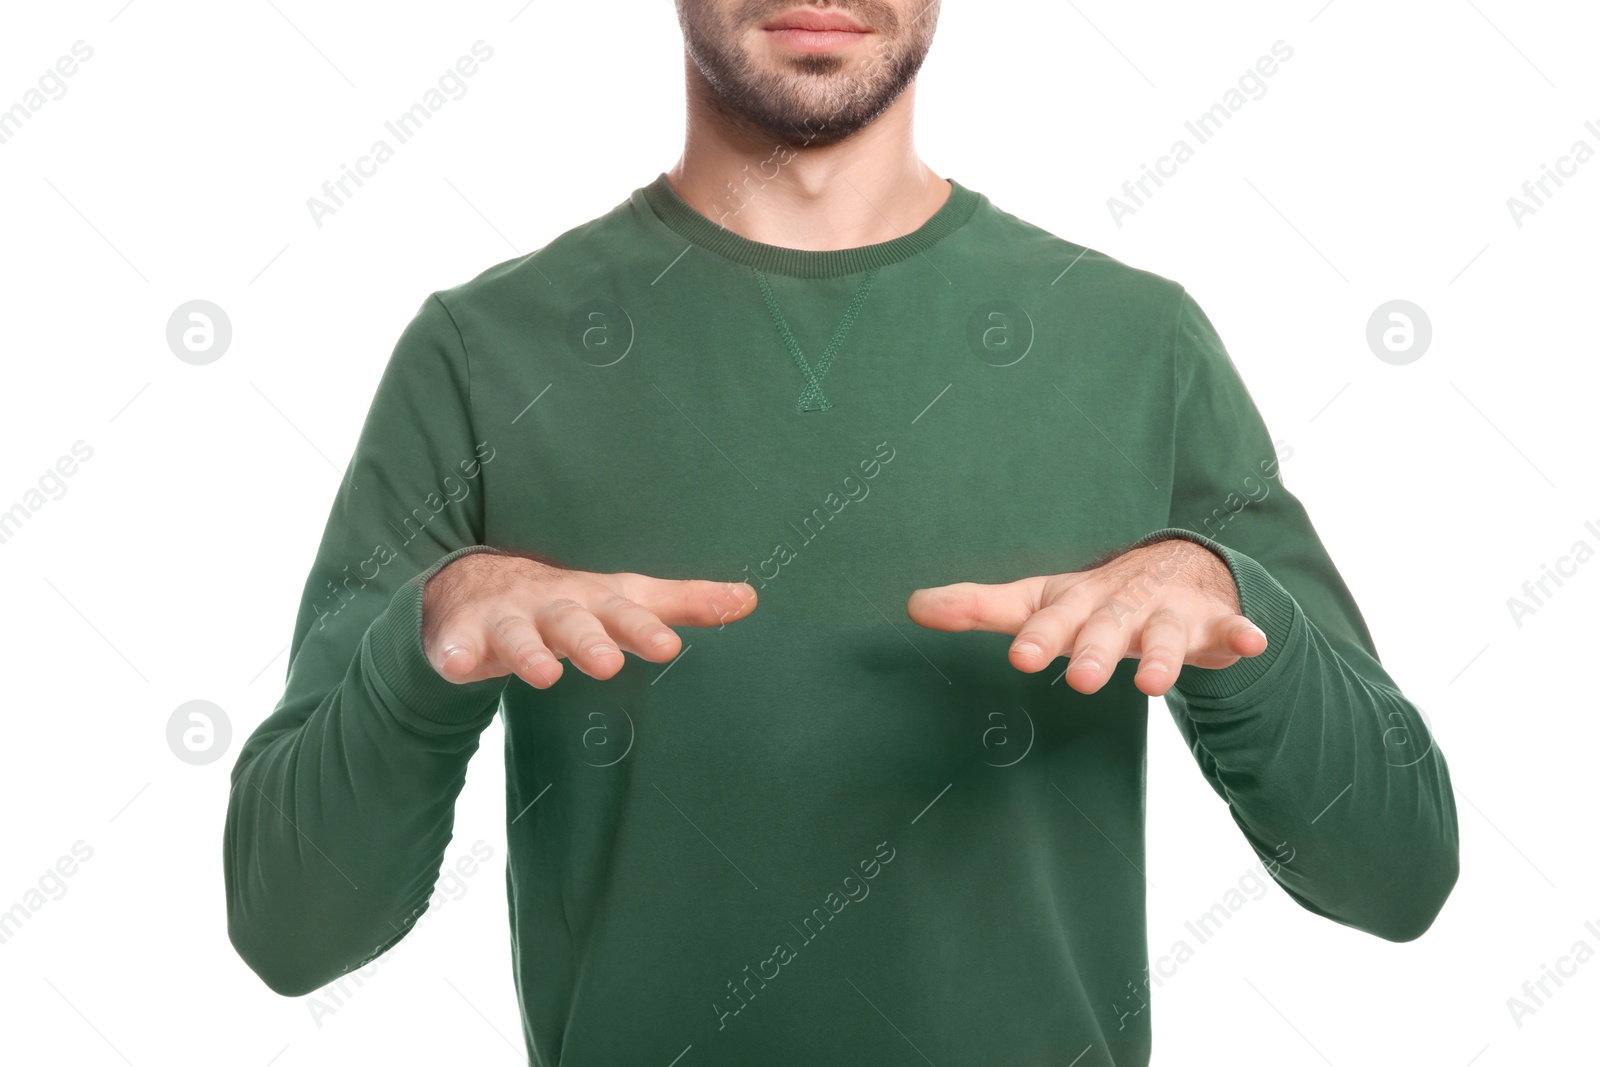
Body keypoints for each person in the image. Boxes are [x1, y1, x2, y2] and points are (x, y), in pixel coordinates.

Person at [223, 2, 1459, 1063]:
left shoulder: (1139, 344)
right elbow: (290, 930)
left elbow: (1397, 875)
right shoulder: (481, 353)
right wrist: (421, 645)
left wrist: (1238, 616)